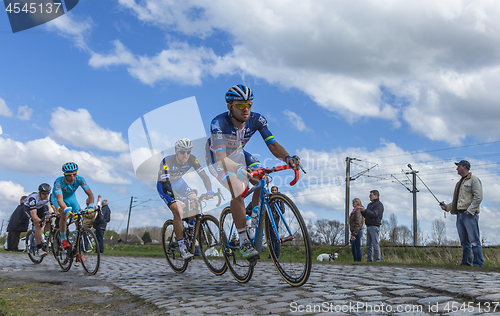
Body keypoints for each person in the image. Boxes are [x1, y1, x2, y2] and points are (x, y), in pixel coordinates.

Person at [205, 84, 300, 260]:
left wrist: (288, 159)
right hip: (217, 158)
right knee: (237, 189)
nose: (246, 108)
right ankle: (243, 240)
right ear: (230, 107)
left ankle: (254, 221)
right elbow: (221, 157)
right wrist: (238, 168)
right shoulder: (218, 123)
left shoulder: (257, 120)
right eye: (240, 105)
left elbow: (272, 145)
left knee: (261, 177)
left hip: (239, 154)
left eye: (249, 104)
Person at [157, 138, 214, 260]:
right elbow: (166, 185)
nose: (186, 155)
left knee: (195, 200)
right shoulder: (167, 161)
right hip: (165, 187)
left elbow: (204, 176)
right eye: (183, 152)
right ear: (177, 151)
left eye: (188, 152)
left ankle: (191, 228)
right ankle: (182, 247)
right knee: (178, 210)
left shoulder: (192, 159)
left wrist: (209, 190)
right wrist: (180, 198)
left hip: (180, 183)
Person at [440, 160, 484, 267]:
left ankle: (478, 263)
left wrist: (470, 210)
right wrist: (447, 207)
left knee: (474, 241)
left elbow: (478, 197)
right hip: (459, 215)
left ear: (465, 167)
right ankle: (466, 263)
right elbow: (456, 201)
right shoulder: (459, 183)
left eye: (458, 166)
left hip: (469, 215)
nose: (457, 169)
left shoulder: (474, 180)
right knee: (465, 242)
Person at [51, 162, 95, 251]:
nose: (72, 177)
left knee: (79, 218)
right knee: (63, 214)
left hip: (71, 198)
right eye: (69, 175)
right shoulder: (59, 182)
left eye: (74, 174)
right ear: (65, 175)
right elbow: (59, 200)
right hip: (58, 199)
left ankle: (77, 247)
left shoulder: (80, 179)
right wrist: (66, 209)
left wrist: (91, 206)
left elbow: (90, 195)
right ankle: (63, 239)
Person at [13, 184, 51, 255]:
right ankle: (39, 249)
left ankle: (45, 237)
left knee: (49, 220)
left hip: (40, 207)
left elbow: (54, 206)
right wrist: (39, 221)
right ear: (39, 193)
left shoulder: (49, 197)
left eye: (47, 193)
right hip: (28, 208)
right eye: (44, 193)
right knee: (38, 224)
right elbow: (33, 215)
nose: (46, 195)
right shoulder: (33, 199)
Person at [361, 190, 384, 262]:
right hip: (368, 225)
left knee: (375, 244)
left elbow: (375, 214)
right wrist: (363, 211)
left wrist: (366, 210)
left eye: (371, 195)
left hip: (374, 226)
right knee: (368, 245)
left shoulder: (379, 205)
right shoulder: (369, 205)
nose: (369, 197)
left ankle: (377, 259)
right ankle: (369, 259)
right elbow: (367, 215)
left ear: (375, 196)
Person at [268, 186, 285, 259]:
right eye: (272, 190)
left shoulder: (279, 199)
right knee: (269, 237)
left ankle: (276, 254)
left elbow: (282, 210)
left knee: (275, 237)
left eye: (275, 190)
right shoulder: (269, 198)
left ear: (277, 191)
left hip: (275, 219)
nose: (274, 191)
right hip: (268, 218)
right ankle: (271, 254)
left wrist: (276, 215)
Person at [350, 198, 364, 262]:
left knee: (357, 248)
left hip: (357, 231)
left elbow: (358, 222)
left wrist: (354, 233)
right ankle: (355, 261)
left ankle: (358, 261)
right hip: (354, 231)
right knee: (353, 248)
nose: (353, 204)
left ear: (357, 203)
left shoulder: (358, 210)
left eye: (354, 202)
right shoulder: (354, 211)